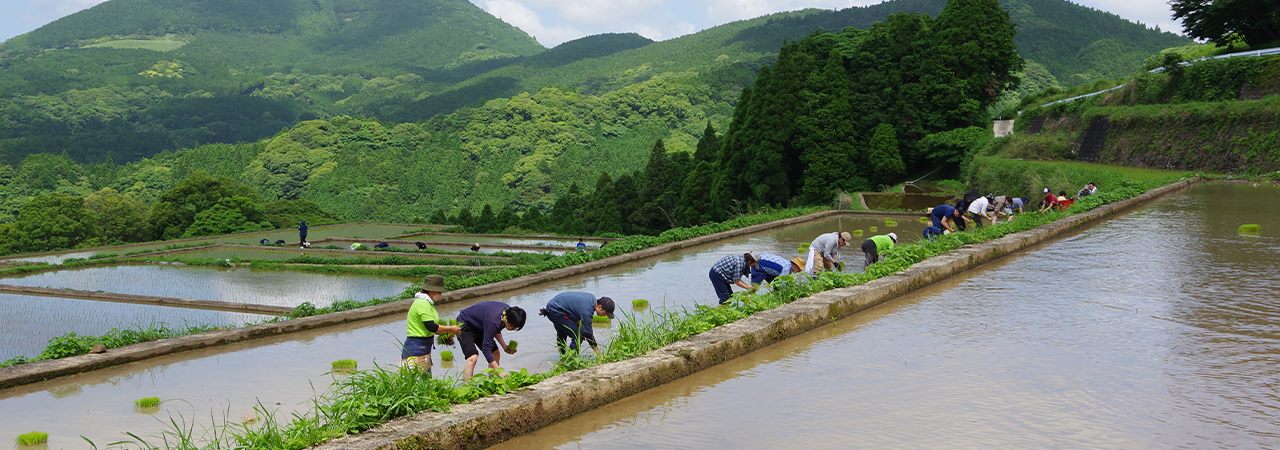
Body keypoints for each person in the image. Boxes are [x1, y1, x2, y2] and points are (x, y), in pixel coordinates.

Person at [402, 275, 460, 374]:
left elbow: (430, 328)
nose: (441, 295)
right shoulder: (422, 304)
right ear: (432, 291)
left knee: (425, 381)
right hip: (416, 347)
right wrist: (451, 329)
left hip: (424, 346)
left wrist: (446, 335)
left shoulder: (427, 303)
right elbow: (432, 327)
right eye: (440, 292)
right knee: (414, 381)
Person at [456, 301, 526, 380]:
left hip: (480, 326)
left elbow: (496, 329)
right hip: (464, 324)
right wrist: (499, 370)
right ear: (506, 319)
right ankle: (467, 387)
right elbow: (486, 349)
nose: (513, 329)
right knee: (472, 357)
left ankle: (492, 380)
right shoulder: (494, 320)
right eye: (512, 327)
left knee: (495, 353)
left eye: (516, 328)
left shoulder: (507, 313)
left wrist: (504, 346)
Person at [539, 292, 614, 355]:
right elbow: (588, 334)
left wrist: (578, 325)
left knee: (562, 332)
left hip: (554, 306)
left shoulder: (591, 299)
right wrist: (597, 352)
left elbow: (575, 309)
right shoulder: (587, 311)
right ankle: (572, 358)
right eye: (605, 313)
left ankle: (563, 356)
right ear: (600, 307)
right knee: (579, 334)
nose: (605, 316)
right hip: (556, 310)